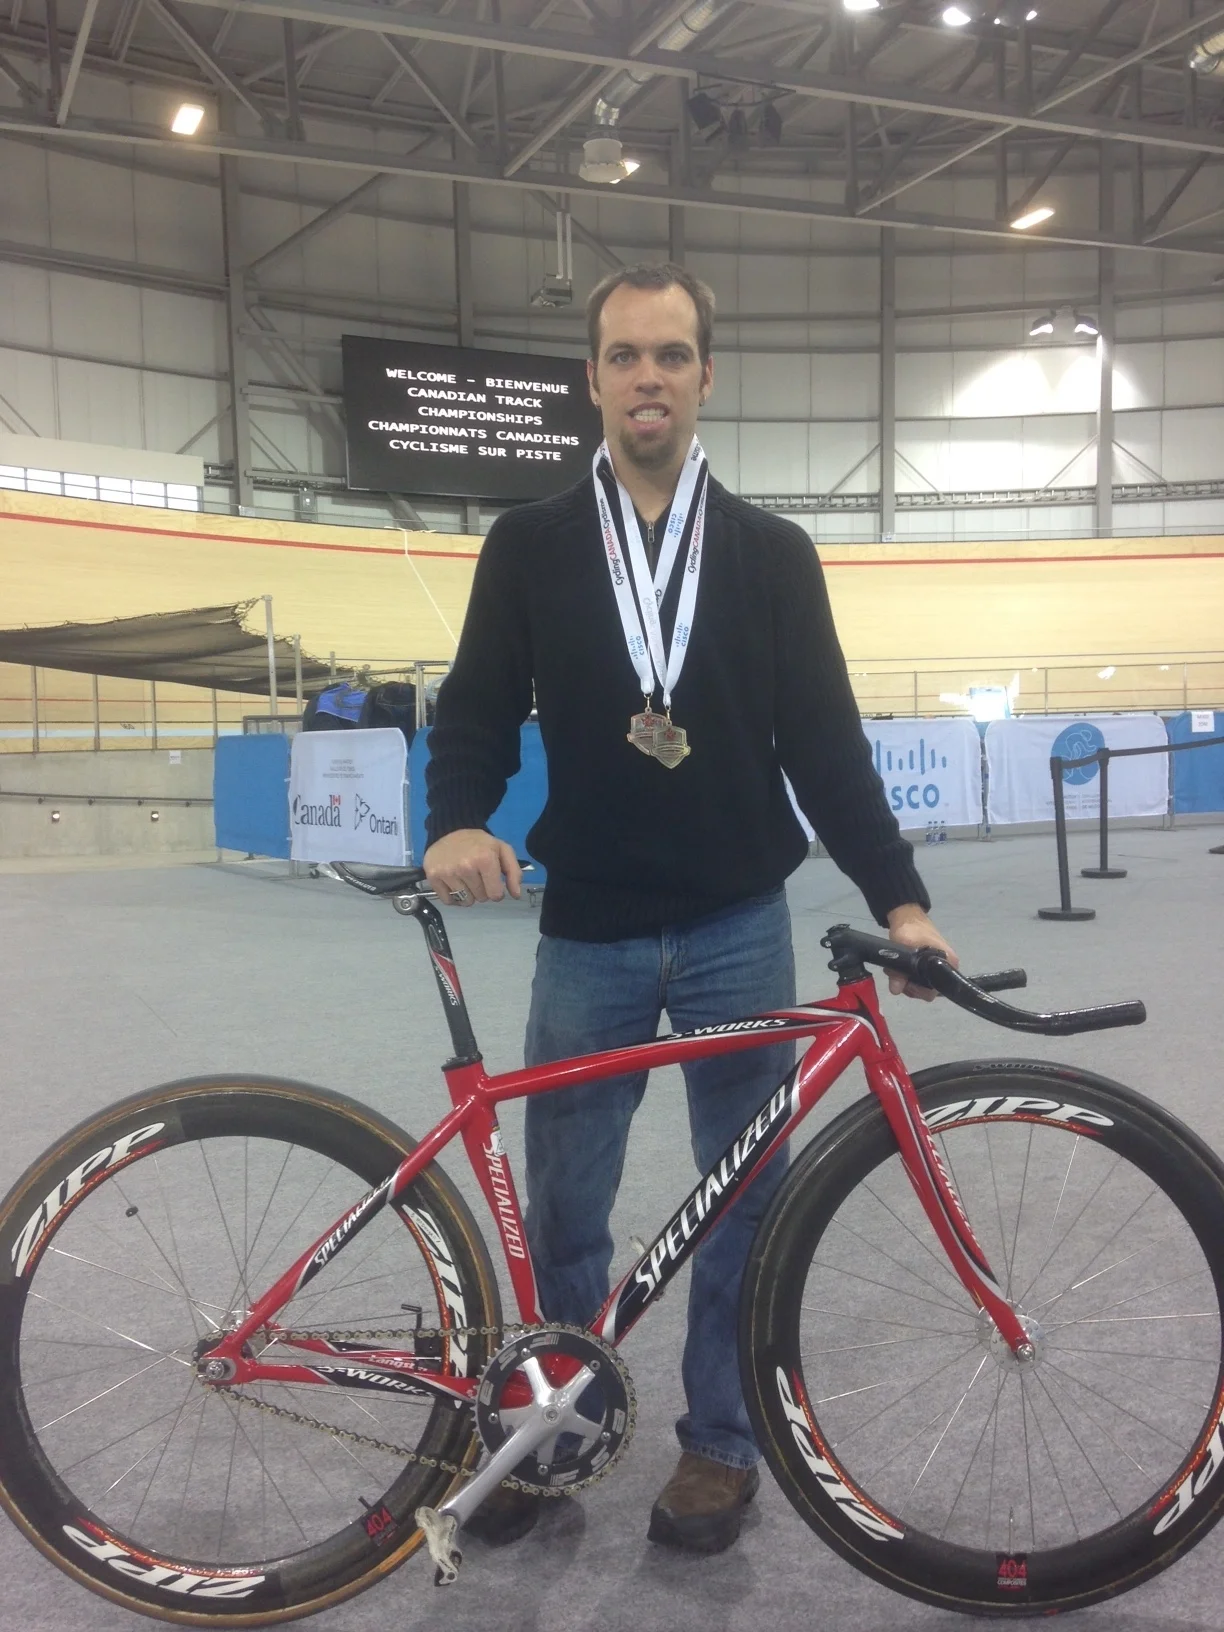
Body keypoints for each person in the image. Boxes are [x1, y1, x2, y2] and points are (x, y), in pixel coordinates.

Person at [422, 261, 956, 1555]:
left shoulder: (773, 555)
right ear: (593, 380)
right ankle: (548, 1428)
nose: (647, 377)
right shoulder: (532, 543)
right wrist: (455, 818)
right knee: (565, 1208)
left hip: (736, 925)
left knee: (744, 1201)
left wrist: (902, 899)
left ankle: (719, 1445)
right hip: (588, 930)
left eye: (670, 354)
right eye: (625, 356)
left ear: (706, 375)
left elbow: (826, 746)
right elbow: (477, 706)